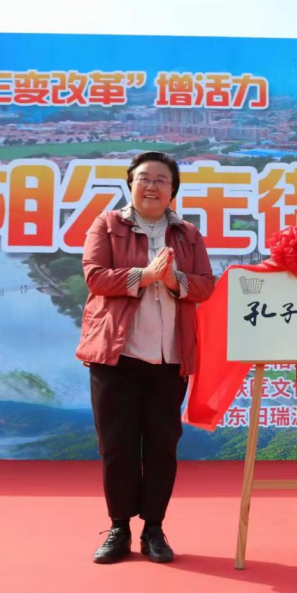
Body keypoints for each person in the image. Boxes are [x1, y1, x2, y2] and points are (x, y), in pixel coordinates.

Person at [76, 151, 215, 564]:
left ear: (173, 190)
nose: (152, 186)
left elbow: (205, 285)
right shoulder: (107, 224)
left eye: (161, 180)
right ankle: (118, 527)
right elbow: (95, 276)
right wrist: (145, 275)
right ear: (130, 184)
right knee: (116, 445)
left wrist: (174, 280)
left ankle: (154, 529)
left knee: (162, 446)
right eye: (144, 178)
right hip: (116, 355)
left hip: (169, 358)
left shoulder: (188, 234)